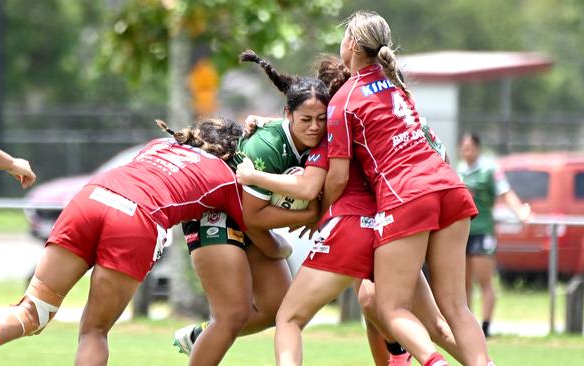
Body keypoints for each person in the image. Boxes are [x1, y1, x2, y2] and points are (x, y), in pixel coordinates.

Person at [0, 116, 290, 366]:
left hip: (89, 199)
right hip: (134, 219)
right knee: (93, 332)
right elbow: (261, 236)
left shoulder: (159, 145)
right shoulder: (226, 177)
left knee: (33, 312)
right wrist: (288, 242)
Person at [232, 56, 462, 366]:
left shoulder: (334, 129)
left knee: (289, 318)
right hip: (393, 225)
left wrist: (257, 179)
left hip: (353, 227)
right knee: (417, 319)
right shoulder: (391, 118)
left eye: (320, 116)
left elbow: (310, 187)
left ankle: (412, 359)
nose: (316, 125)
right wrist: (269, 121)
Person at [323, 11, 493, 366]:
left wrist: (317, 214)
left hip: (406, 196)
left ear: (352, 44)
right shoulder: (397, 87)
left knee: (390, 306)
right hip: (449, 186)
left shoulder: (344, 99)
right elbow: (435, 148)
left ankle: (433, 363)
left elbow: (337, 178)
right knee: (456, 307)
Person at [172, 50, 329, 365]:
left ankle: (199, 336)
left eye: (322, 119)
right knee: (232, 316)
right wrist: (304, 219)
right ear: (288, 115)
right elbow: (251, 215)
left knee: (280, 307)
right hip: (216, 218)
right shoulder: (268, 146)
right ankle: (211, 333)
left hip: (248, 222)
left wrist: (276, 244)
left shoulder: (315, 141)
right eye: (306, 119)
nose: (315, 127)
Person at [457, 132, 531, 338]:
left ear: (478, 148)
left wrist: (520, 212)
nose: (466, 152)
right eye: (463, 148)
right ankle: (466, 326)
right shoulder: (458, 170)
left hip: (482, 231)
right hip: (462, 232)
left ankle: (486, 326)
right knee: (463, 283)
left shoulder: (489, 169)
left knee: (484, 280)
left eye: (470, 147)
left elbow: (505, 192)